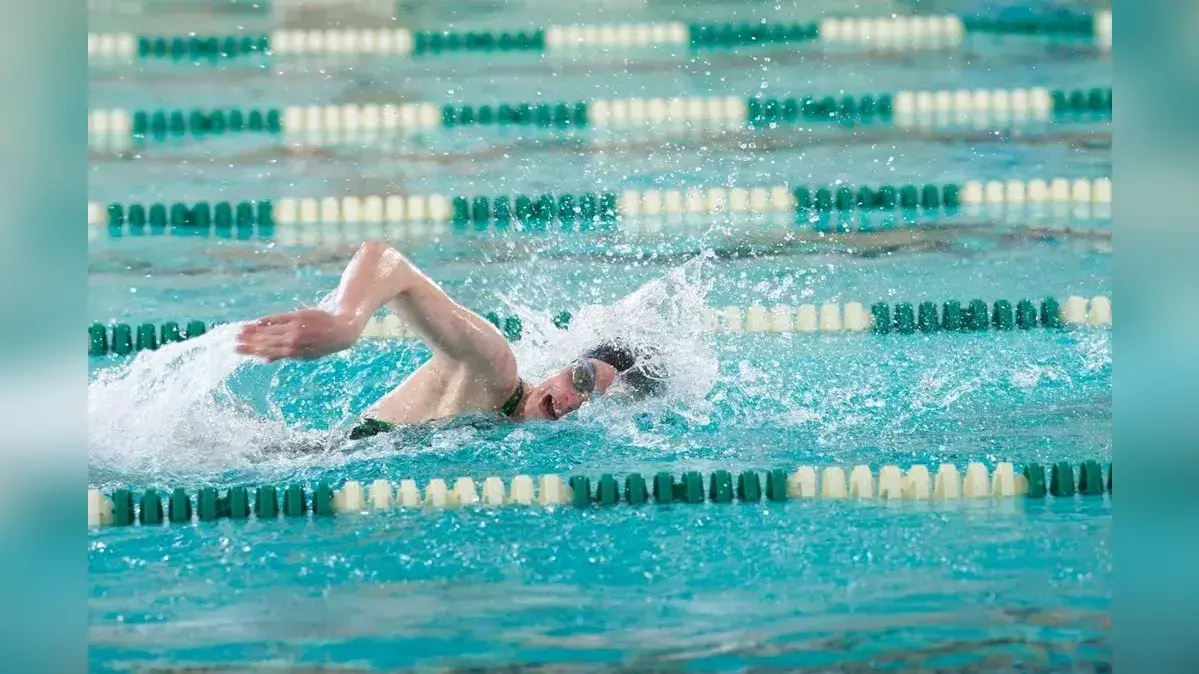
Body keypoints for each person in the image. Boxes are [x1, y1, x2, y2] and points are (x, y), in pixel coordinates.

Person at [235, 241, 662, 438]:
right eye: (582, 378)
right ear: (567, 364)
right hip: (271, 458)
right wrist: (345, 324)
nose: (574, 400)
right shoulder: (493, 368)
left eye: (593, 402)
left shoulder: (506, 437)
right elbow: (387, 261)